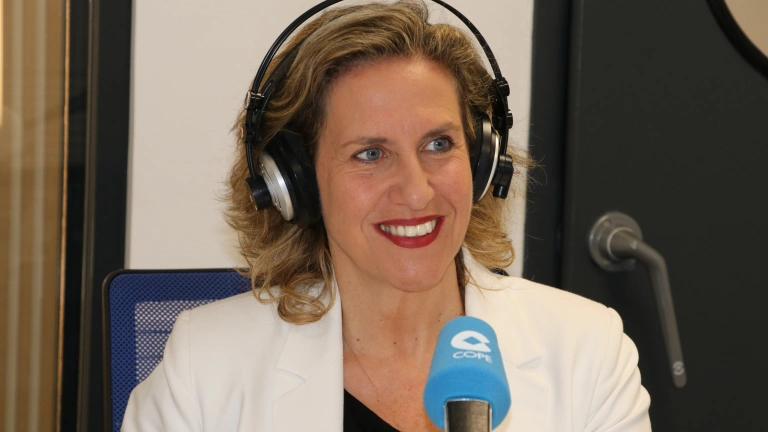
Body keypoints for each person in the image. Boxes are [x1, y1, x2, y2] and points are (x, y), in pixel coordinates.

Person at [121, 1, 651, 431]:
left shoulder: (587, 354)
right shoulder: (205, 369)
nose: (417, 193)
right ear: (295, 183)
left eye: (439, 144)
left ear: (482, 160)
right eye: (370, 154)